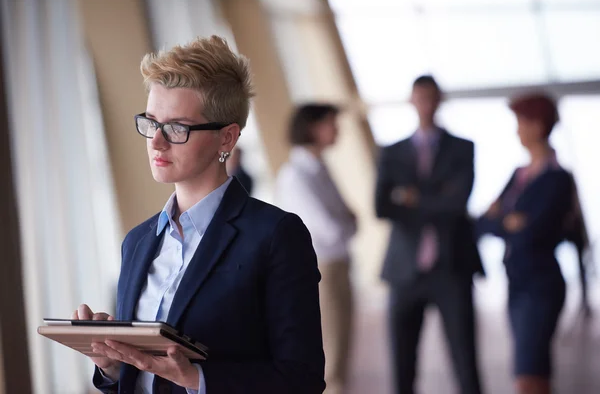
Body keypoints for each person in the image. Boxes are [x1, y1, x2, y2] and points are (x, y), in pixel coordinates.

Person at [71, 36, 326, 394]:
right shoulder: (138, 241)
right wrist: (113, 367)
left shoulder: (275, 236)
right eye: (151, 122)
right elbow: (140, 380)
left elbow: (302, 379)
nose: (156, 142)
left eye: (177, 128)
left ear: (226, 139)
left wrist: (196, 379)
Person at [375, 75, 484, 394]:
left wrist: (411, 197)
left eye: (431, 97)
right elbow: (381, 206)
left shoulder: (463, 148)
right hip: (404, 270)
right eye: (419, 97)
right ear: (412, 101)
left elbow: (458, 202)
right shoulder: (391, 152)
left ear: (440, 101)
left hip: (451, 267)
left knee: (466, 363)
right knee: (402, 367)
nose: (425, 104)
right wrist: (438, 196)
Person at [476, 93, 577, 394]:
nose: (516, 130)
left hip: (541, 283)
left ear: (537, 125)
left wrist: (504, 219)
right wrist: (510, 220)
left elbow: (534, 231)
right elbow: (483, 223)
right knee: (529, 367)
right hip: (517, 282)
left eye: (520, 122)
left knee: (530, 371)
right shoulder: (518, 175)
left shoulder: (557, 179)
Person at [276, 104, 356, 394]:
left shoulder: (319, 168)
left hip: (336, 262)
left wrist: (348, 222)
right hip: (322, 266)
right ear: (312, 128)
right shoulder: (296, 175)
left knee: (341, 346)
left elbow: (348, 221)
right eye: (331, 123)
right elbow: (332, 228)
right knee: (331, 352)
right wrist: (348, 223)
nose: (337, 130)